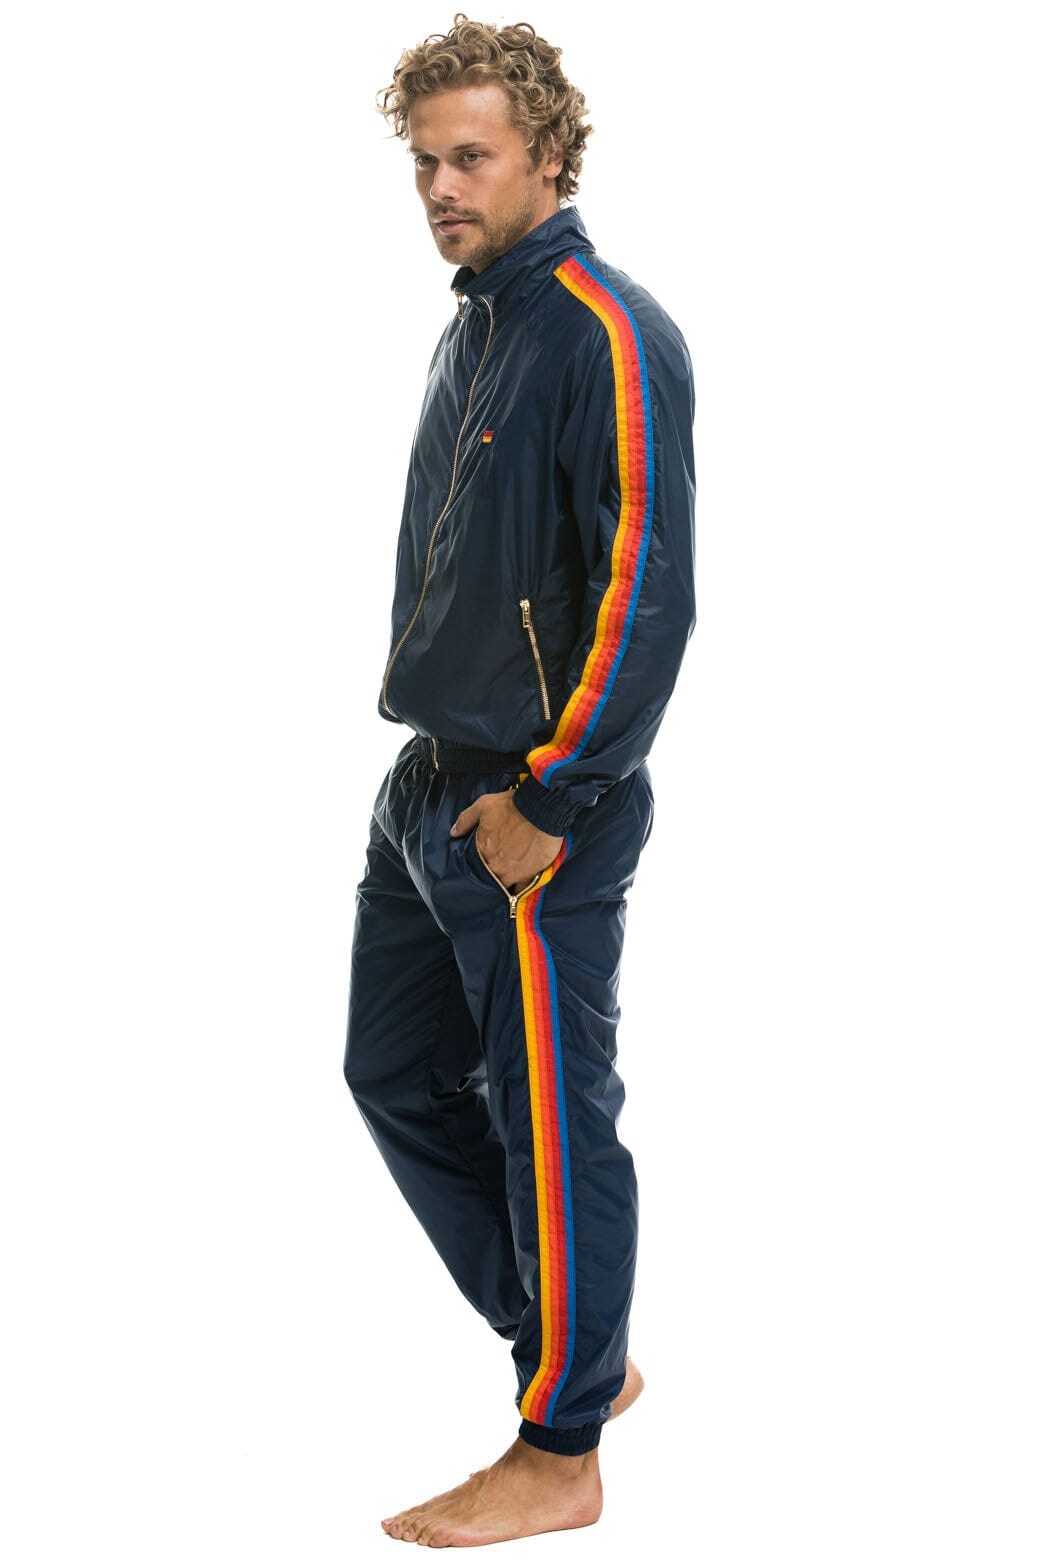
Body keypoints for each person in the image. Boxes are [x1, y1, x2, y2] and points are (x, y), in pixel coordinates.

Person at [343, 13, 696, 1547]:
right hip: (428, 785)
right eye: (424, 161)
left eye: (470, 157)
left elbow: (647, 594)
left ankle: (560, 1450)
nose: (440, 185)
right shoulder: (474, 324)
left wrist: (552, 795)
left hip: (536, 805)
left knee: (553, 1118)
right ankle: (580, 1350)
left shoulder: (607, 332)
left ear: (550, 153)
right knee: (394, 1074)